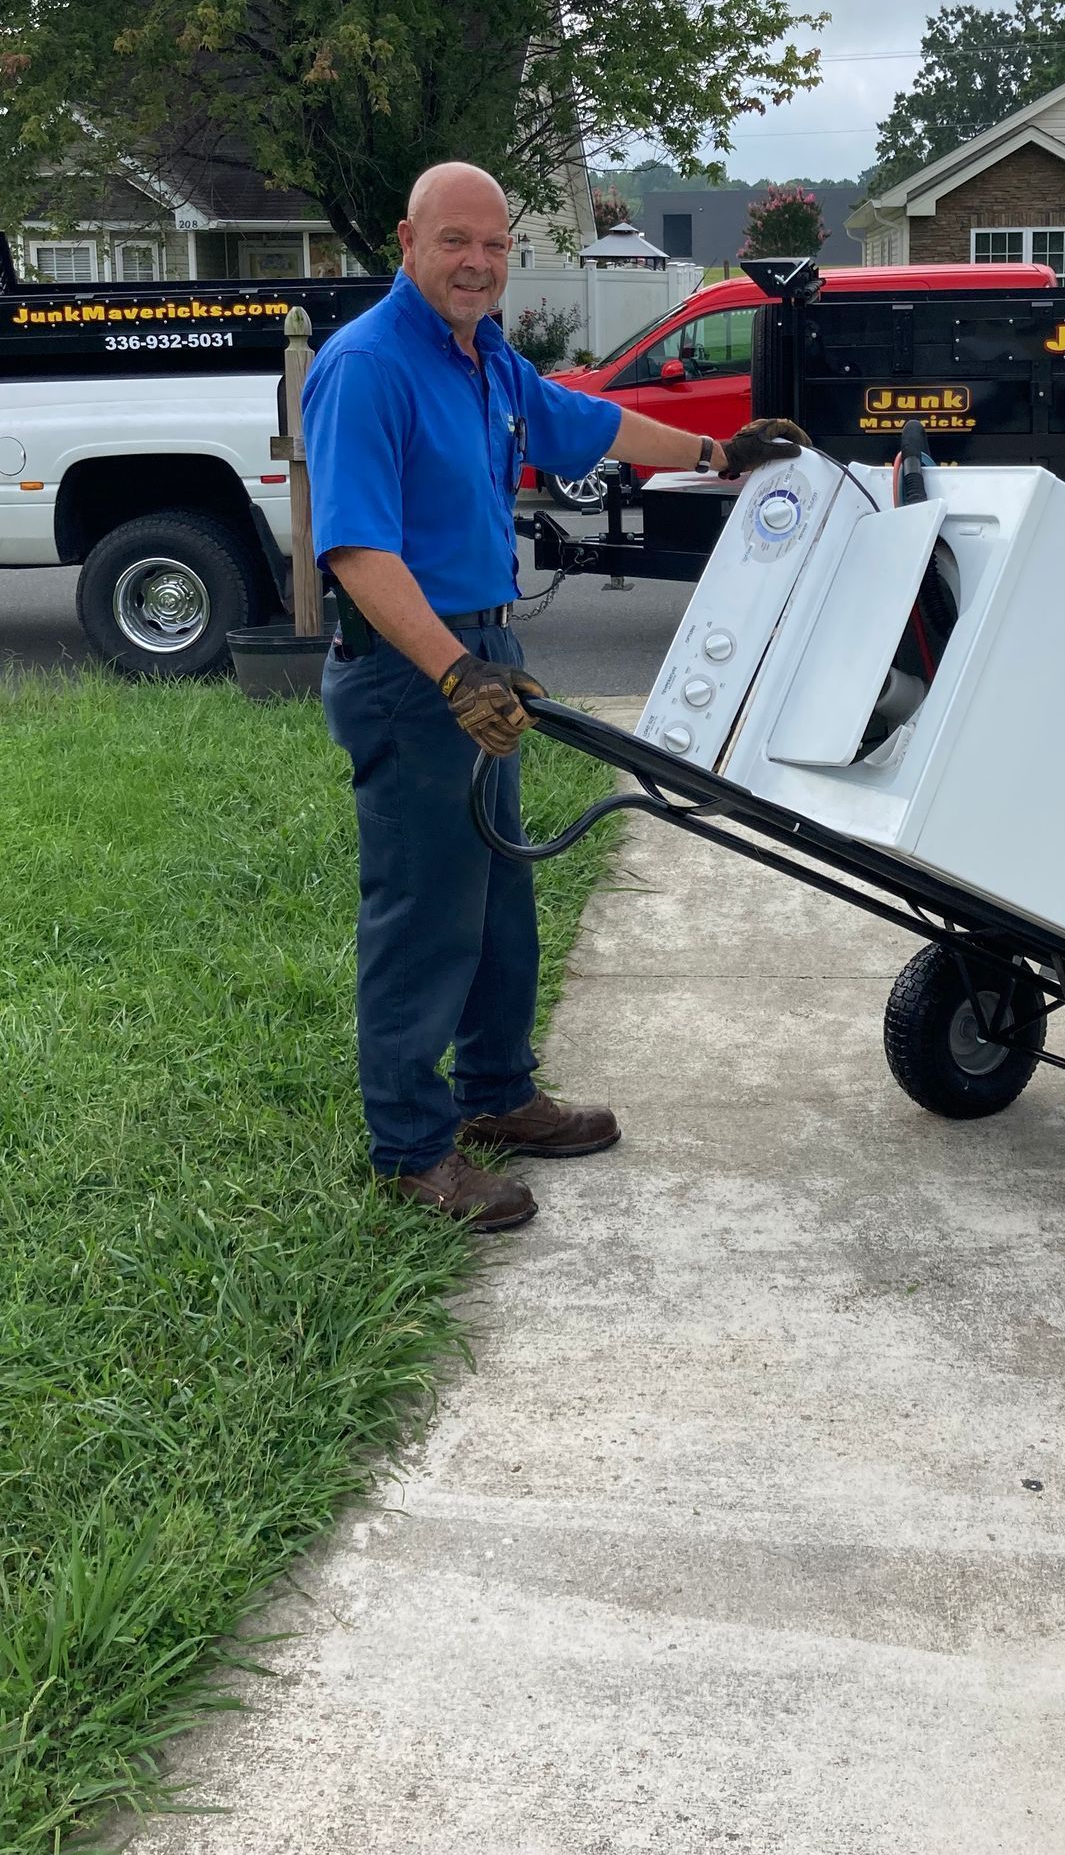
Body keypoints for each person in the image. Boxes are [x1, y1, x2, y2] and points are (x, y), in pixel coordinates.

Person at [303, 162, 804, 1231]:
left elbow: (591, 424)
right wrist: (452, 669)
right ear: (408, 239)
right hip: (415, 669)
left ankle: (497, 1094)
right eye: (456, 243)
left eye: (494, 245)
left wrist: (722, 451)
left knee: (497, 895)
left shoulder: (484, 357)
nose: (479, 263)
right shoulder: (367, 366)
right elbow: (354, 547)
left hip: (484, 654)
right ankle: (409, 1147)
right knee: (425, 909)